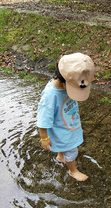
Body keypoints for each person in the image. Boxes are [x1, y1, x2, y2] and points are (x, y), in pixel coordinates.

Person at [37, 52, 95, 181]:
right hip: (63, 130)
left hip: (68, 123)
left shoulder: (65, 83)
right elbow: (43, 119)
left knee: (65, 148)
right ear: (64, 80)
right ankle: (72, 171)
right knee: (72, 150)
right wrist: (44, 138)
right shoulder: (50, 95)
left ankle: (60, 156)